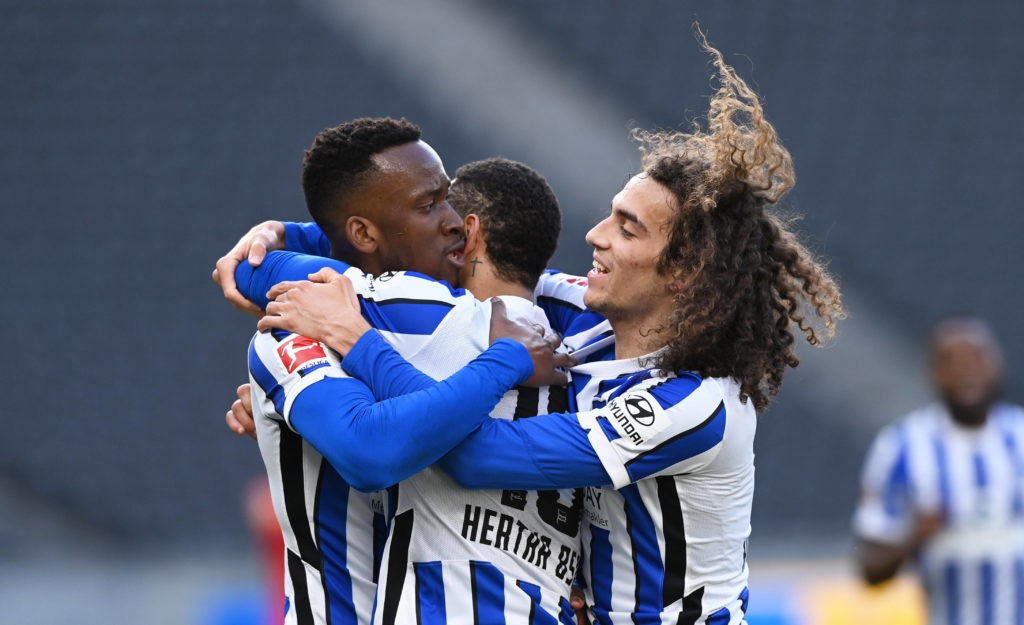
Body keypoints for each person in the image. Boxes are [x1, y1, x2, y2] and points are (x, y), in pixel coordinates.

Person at [235, 34, 845, 624]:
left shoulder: (696, 402)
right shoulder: (581, 325)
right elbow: (481, 271)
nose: (595, 237)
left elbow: (472, 457)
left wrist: (357, 347)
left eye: (627, 229)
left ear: (682, 271)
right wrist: (290, 237)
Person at [225, 147, 587, 623]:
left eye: (445, 207)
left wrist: (279, 241)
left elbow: (254, 270)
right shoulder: (587, 354)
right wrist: (294, 413)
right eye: (428, 206)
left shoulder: (361, 314)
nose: (443, 221)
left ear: (467, 233)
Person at [852, 315, 1024, 625]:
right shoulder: (899, 448)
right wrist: (913, 536)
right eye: (950, 361)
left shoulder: (1021, 436)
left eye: (976, 357)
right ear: (933, 373)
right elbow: (869, 570)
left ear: (995, 365)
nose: (965, 369)